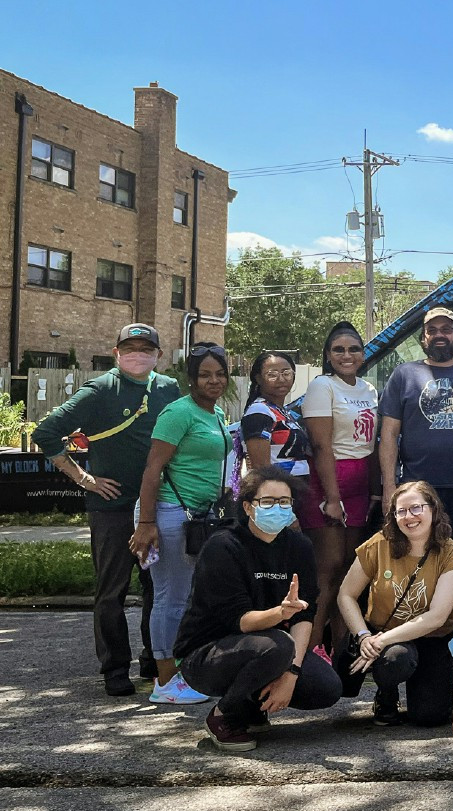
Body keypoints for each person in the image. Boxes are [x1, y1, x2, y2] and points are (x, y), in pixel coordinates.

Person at [33, 322, 180, 695]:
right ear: (116, 353)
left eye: (146, 349)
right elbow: (46, 432)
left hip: (158, 505)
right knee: (111, 591)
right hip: (111, 508)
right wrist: (84, 478)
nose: (138, 355)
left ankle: (154, 660)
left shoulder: (168, 389)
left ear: (158, 356)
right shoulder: (99, 390)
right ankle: (115, 668)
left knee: (158, 589)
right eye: (129, 348)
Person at [173, 467, 343, 752]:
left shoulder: (299, 547)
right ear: (249, 507)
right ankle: (224, 715)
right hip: (205, 654)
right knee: (277, 644)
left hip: (269, 646)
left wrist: (291, 674)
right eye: (268, 502)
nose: (277, 508)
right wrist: (281, 613)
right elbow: (240, 621)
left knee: (326, 687)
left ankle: (252, 706)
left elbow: (305, 614)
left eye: (285, 502)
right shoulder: (222, 547)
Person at [130, 341, 235, 705]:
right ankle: (165, 681)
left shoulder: (216, 415)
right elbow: (152, 470)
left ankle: (184, 671)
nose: (214, 380)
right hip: (169, 514)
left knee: (189, 597)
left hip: (199, 519)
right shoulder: (178, 413)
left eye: (219, 373)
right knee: (170, 598)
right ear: (190, 379)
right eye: (205, 374)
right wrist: (146, 522)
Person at [336, 481, 453, 727]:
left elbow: (437, 617)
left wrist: (380, 641)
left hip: (432, 636)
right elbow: (346, 594)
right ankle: (386, 694)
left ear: (433, 510)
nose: (409, 517)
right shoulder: (379, 544)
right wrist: (364, 636)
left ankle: (430, 690)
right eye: (401, 511)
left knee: (430, 717)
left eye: (416, 508)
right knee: (394, 660)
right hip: (385, 636)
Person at [378, 306, 453, 556]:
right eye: (431, 330)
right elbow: (389, 435)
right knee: (419, 556)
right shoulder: (404, 375)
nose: (439, 335)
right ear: (423, 338)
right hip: (417, 489)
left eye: (446, 329)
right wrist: (389, 487)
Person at [300, 321, 381, 658]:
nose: (347, 355)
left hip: (361, 483)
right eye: (339, 350)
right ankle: (309, 649)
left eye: (353, 349)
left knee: (350, 569)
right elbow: (321, 447)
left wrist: (376, 489)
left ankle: (341, 649)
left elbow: (372, 443)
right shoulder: (322, 387)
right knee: (328, 568)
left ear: (363, 355)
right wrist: (332, 499)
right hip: (329, 482)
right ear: (328, 356)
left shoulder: (369, 389)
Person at [240, 350, 310, 482]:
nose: (281, 379)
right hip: (277, 494)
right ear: (258, 378)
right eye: (272, 375)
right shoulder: (259, 411)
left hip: (295, 491)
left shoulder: (281, 412)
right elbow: (261, 467)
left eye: (287, 373)